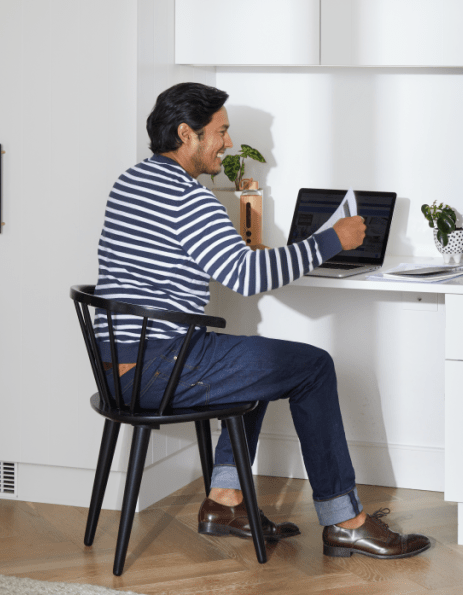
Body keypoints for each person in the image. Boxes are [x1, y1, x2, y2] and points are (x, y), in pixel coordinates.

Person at [93, 82, 430, 559]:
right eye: (221, 132)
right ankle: (345, 520)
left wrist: (260, 252)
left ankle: (226, 500)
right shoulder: (189, 199)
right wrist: (331, 240)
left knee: (255, 358)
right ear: (186, 134)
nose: (227, 143)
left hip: (118, 372)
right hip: (159, 370)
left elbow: (183, 259)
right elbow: (247, 279)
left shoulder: (129, 182)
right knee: (311, 366)